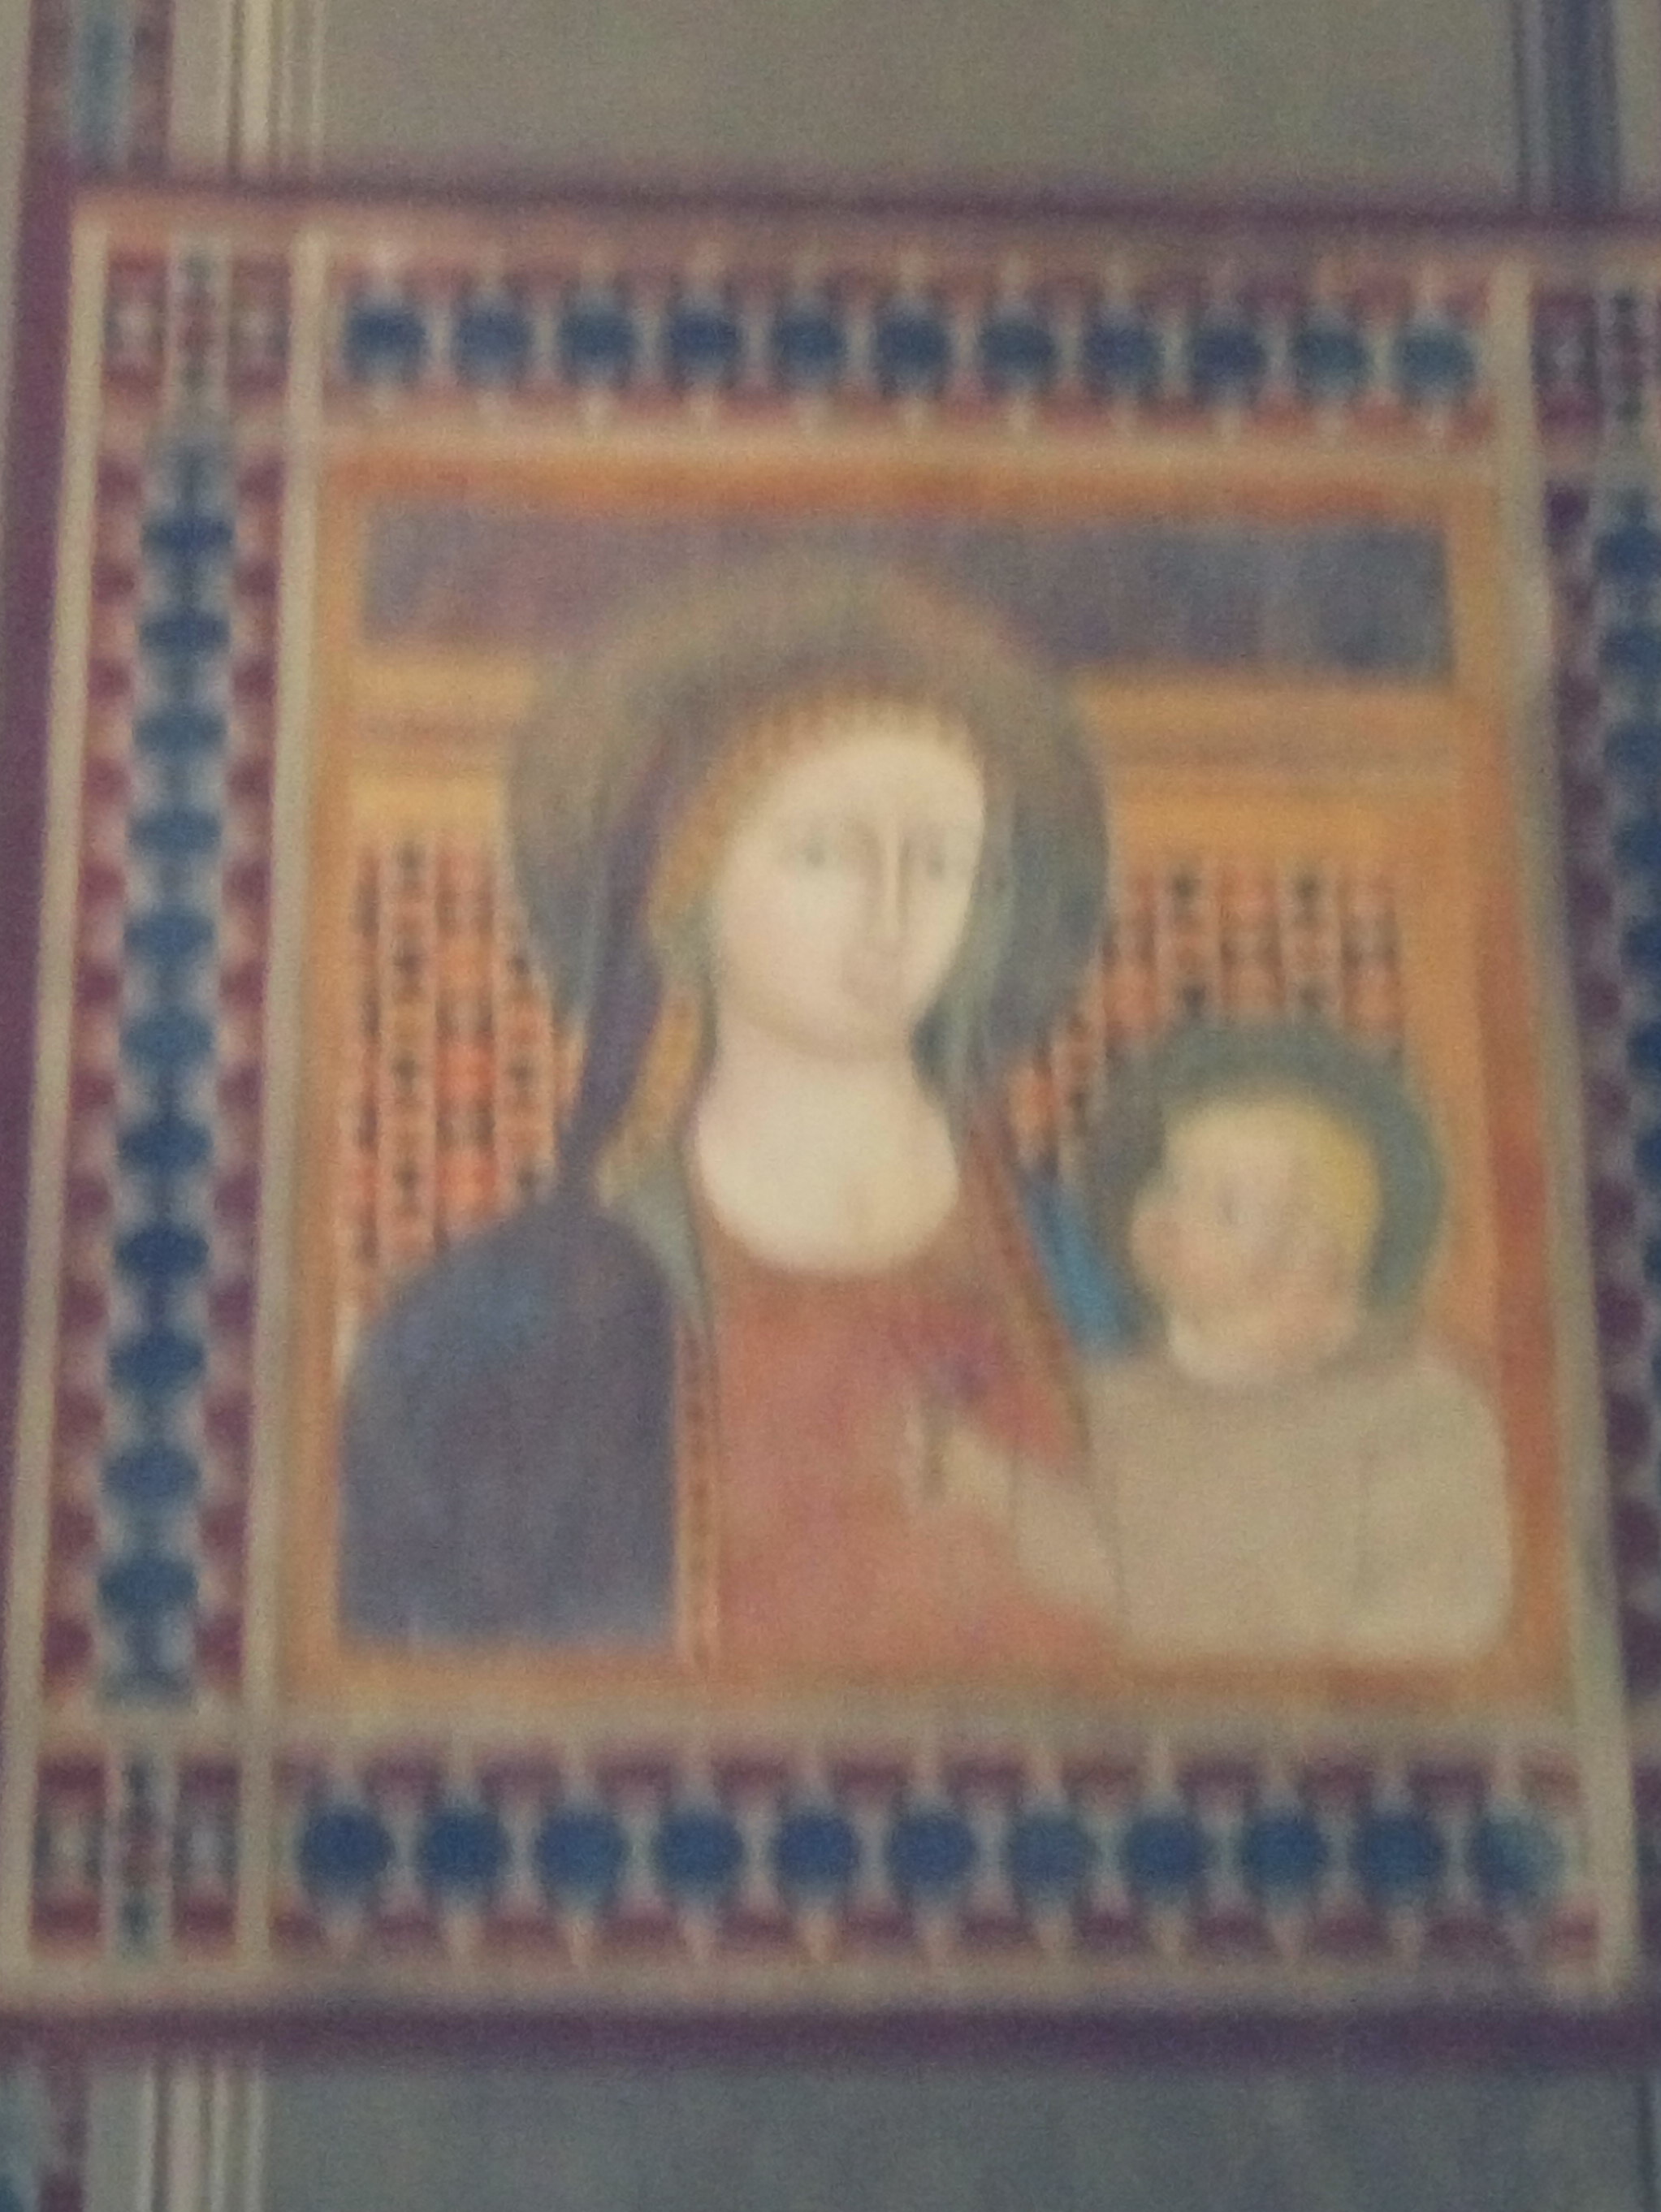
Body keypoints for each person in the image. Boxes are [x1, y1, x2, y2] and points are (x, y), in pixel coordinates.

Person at [336, 567, 1119, 1672]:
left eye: (942, 859)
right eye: (823, 853)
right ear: (684, 890)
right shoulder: (501, 1322)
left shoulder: (1095, 1277)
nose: (893, 913)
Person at [1009, 1016, 1516, 1662]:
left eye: (1225, 1207)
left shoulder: (1417, 1414)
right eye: (1167, 1183)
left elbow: (1440, 1615)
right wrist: (998, 1489)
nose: (1170, 1215)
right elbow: (1125, 1577)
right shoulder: (1124, 1399)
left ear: (1317, 1260)